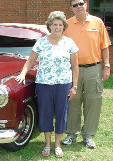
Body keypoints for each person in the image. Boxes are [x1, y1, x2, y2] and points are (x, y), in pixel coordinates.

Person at [16, 11, 79, 158]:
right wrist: (22, 73)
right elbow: (30, 61)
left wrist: (74, 86)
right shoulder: (41, 42)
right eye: (55, 24)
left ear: (64, 26)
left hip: (63, 84)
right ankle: (47, 144)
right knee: (45, 113)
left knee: (61, 113)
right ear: (49, 26)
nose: (57, 27)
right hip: (44, 84)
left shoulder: (69, 43)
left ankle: (57, 144)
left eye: (60, 25)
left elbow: (75, 66)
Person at [62, 0, 111, 149]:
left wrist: (107, 66)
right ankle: (71, 133)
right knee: (73, 101)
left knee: (93, 101)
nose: (79, 7)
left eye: (81, 3)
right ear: (71, 8)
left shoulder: (97, 22)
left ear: (86, 4)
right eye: (75, 5)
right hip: (73, 70)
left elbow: (105, 46)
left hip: (93, 69)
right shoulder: (67, 25)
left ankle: (88, 135)